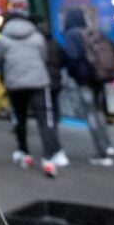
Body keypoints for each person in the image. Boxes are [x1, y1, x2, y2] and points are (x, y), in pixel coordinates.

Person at [0, 13, 62, 178]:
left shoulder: (3, 38)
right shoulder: (37, 36)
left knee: (19, 118)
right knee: (45, 120)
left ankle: (24, 152)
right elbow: (43, 56)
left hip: (15, 83)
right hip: (38, 81)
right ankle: (49, 158)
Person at [61, 9, 114, 167]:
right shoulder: (95, 32)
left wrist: (74, 72)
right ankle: (108, 145)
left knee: (91, 113)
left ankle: (102, 152)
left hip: (84, 78)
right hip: (99, 76)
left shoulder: (72, 35)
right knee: (99, 112)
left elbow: (72, 56)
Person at [38, 20, 70, 168]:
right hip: (56, 81)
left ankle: (53, 148)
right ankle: (54, 138)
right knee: (53, 113)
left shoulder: (39, 46)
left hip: (44, 83)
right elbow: (65, 59)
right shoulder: (55, 44)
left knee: (46, 116)